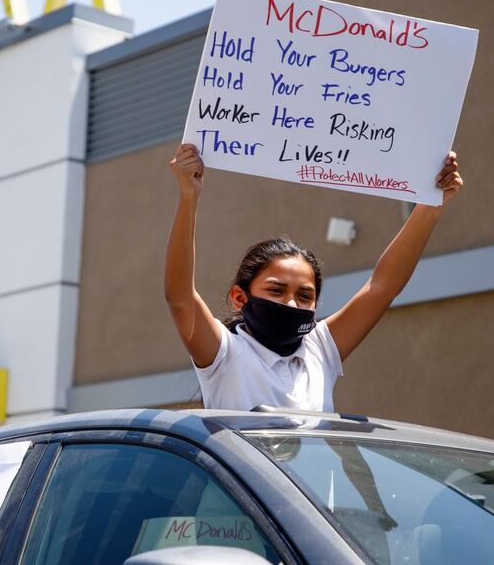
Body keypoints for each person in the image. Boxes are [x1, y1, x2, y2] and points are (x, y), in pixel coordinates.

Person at [165, 143, 463, 412]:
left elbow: (382, 288)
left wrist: (429, 207)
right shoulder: (225, 354)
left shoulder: (320, 350)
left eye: (304, 295)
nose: (291, 303)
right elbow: (180, 299)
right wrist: (188, 198)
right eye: (276, 291)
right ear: (240, 298)